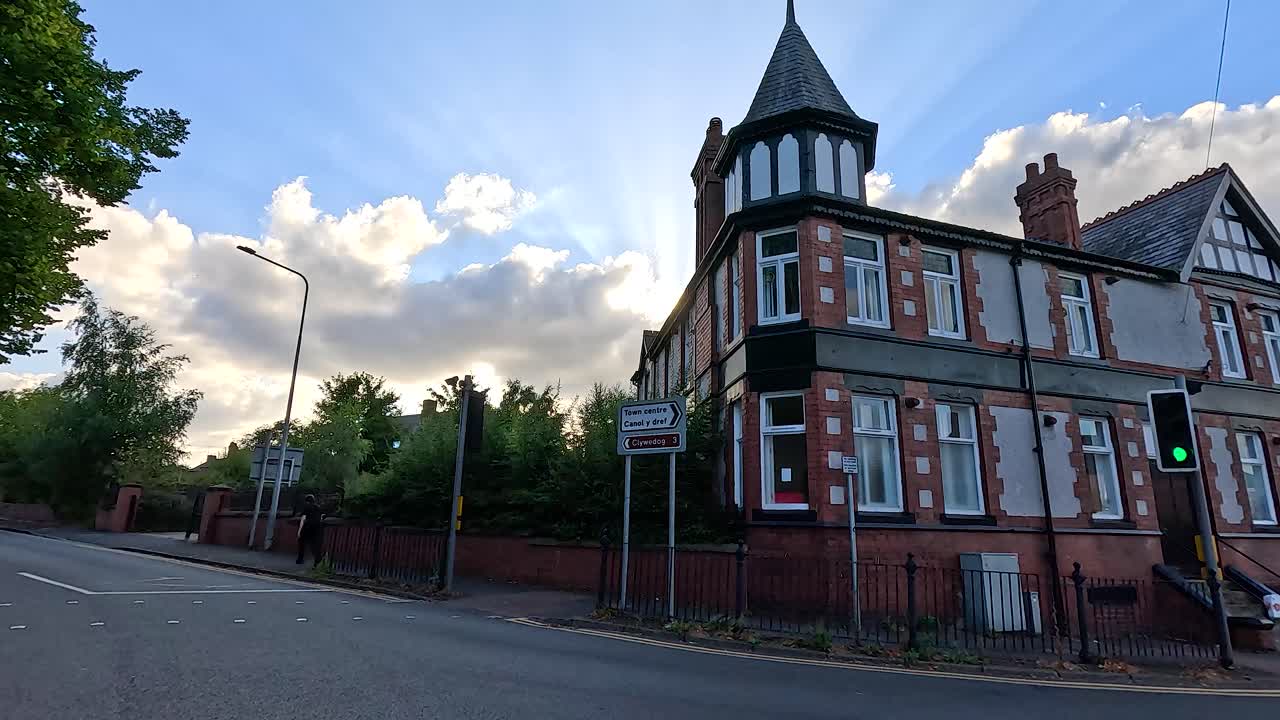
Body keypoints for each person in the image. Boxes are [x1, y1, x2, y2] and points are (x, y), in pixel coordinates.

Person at [296, 494, 324, 566]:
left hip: (307, 527)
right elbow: (321, 518)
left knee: (302, 543)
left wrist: (299, 531)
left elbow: (303, 519)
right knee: (314, 545)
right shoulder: (318, 508)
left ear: (307, 501)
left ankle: (300, 559)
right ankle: (318, 561)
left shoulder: (307, 507)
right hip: (317, 528)